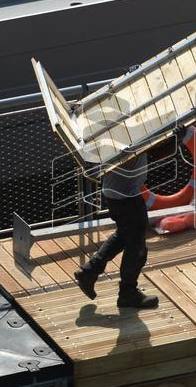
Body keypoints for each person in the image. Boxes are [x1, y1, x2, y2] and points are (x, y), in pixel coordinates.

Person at [74, 129, 182, 308]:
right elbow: (158, 152)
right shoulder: (132, 133)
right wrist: (177, 137)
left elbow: (154, 149)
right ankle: (128, 293)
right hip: (127, 197)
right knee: (137, 248)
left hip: (115, 194)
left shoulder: (116, 131)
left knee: (124, 235)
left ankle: (89, 271)